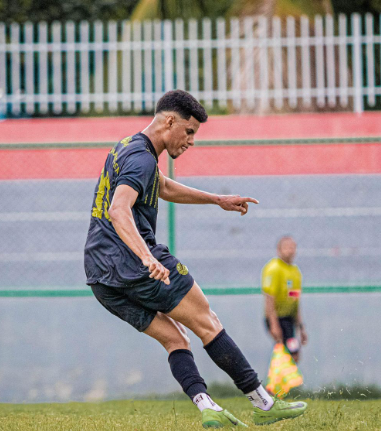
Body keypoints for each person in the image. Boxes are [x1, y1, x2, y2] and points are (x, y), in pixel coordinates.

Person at [84, 90, 307, 428]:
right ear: (169, 121)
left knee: (175, 339)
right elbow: (118, 210)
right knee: (208, 322)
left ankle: (207, 406)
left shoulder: (127, 147)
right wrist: (147, 257)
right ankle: (263, 402)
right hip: (136, 263)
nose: (191, 141)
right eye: (188, 132)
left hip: (100, 277)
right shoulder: (143, 158)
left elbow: (162, 187)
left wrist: (217, 199)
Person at [262, 236, 308, 363]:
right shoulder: (274, 268)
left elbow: (295, 301)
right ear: (279, 250)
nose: (290, 250)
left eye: (292, 247)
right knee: (289, 353)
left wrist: (301, 327)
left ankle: (282, 382)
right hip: (278, 318)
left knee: (292, 354)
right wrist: (274, 325)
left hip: (289, 320)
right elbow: (269, 299)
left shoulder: (295, 272)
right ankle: (282, 382)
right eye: (286, 247)